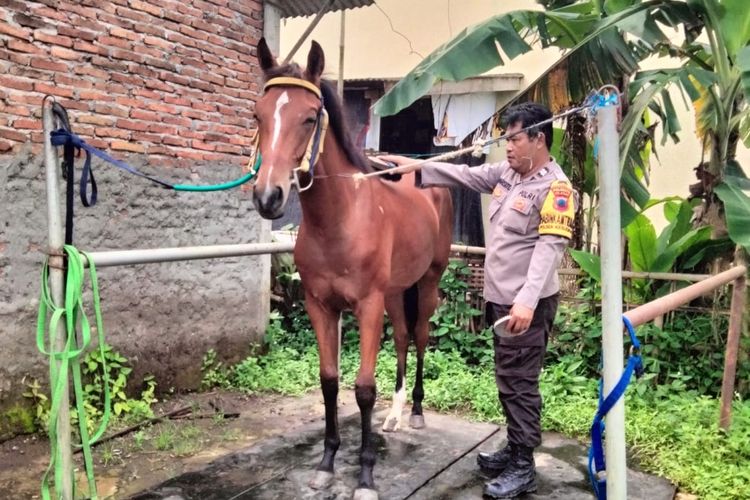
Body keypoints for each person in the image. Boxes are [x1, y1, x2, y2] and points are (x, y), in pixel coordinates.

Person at [381, 102, 576, 499]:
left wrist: (525, 301)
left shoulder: (555, 189)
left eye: (515, 139)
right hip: (502, 299)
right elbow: (464, 174)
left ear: (539, 139)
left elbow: (549, 249)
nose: (507, 147)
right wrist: (413, 166)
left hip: (526, 305)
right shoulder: (508, 173)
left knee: (520, 384)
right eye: (506, 139)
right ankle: (513, 446)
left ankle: (523, 465)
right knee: (508, 379)